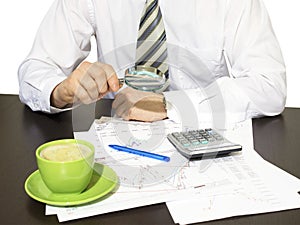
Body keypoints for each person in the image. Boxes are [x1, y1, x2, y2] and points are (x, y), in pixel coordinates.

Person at [18, 0, 286, 124]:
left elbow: (269, 86)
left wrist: (172, 105)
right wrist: (60, 90)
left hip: (202, 135)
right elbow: (36, 68)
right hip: (116, 137)